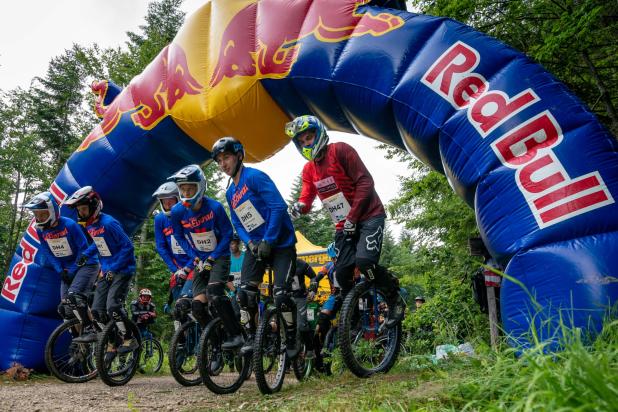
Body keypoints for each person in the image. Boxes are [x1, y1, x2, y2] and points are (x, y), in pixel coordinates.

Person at [287, 115, 404, 327]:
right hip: (343, 225)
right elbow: (306, 197)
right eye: (302, 141)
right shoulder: (309, 170)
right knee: (341, 273)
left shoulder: (340, 150)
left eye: (309, 137)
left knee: (365, 263)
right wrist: (299, 207)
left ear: (319, 133)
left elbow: (365, 182)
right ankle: (356, 315)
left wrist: (353, 217)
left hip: (369, 216)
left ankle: (394, 296)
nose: (307, 143)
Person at [211, 137, 298, 357]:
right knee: (244, 295)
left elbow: (278, 207)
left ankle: (292, 335)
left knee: (280, 295)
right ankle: (252, 337)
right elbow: (238, 223)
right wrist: (250, 243)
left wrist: (269, 239)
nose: (223, 164)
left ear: (239, 155)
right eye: (219, 161)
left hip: (281, 244)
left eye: (227, 158)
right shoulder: (231, 193)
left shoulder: (255, 177)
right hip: (256, 246)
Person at [168, 164, 242, 349]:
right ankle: (216, 340)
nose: (186, 192)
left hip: (219, 257)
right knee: (197, 307)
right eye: (182, 189)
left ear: (200, 186)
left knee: (215, 293)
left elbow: (227, 234)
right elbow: (178, 235)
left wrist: (213, 256)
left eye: (190, 188)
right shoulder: (177, 211)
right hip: (199, 260)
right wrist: (193, 255)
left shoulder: (215, 207)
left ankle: (236, 334)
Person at [64, 186, 137, 355]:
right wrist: (86, 255)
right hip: (107, 270)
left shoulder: (109, 223)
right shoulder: (91, 225)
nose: (81, 213)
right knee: (96, 311)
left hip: (123, 269)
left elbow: (128, 247)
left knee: (112, 306)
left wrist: (114, 268)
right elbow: (99, 244)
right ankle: (112, 339)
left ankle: (129, 337)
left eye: (84, 209)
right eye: (79, 210)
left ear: (94, 206)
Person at [24, 192, 101, 342]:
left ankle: (92, 329)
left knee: (75, 298)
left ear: (52, 211)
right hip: (66, 269)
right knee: (64, 308)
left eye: (42, 214)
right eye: (36, 215)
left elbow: (83, 249)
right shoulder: (41, 231)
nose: (39, 218)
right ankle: (77, 342)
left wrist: (72, 270)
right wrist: (60, 270)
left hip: (87, 264)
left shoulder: (70, 225)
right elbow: (47, 251)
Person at [151, 182, 194, 328]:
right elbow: (161, 247)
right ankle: (181, 344)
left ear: (178, 198)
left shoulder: (188, 212)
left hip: (194, 263)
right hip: (177, 269)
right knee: (178, 309)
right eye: (164, 200)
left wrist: (188, 267)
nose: (167, 203)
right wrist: (175, 269)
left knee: (189, 301)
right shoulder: (159, 219)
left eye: (170, 199)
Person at [292, 258, 318, 359]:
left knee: (301, 326)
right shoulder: (280, 263)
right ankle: (286, 361)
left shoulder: (301, 263)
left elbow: (313, 276)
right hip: (286, 298)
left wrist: (312, 291)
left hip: (300, 298)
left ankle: (310, 350)